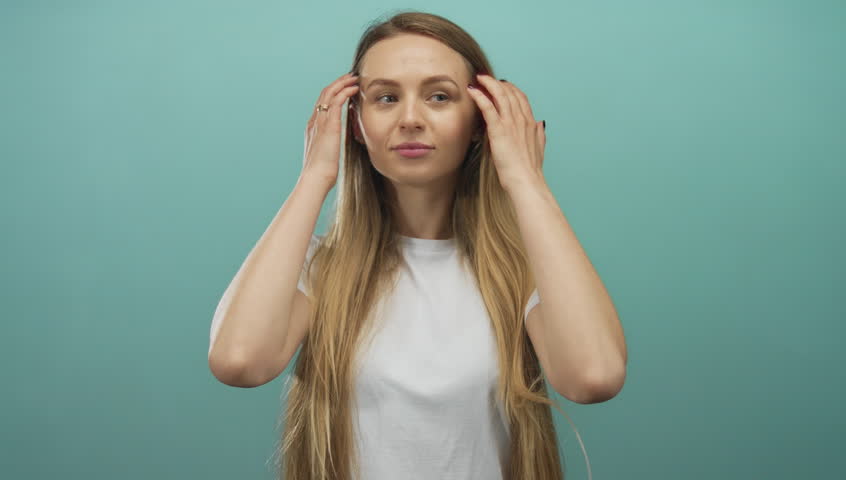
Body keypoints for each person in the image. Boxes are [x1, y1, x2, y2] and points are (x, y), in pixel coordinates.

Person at [209, 10, 624, 480]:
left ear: (479, 122)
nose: (409, 119)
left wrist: (526, 180)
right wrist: (315, 176)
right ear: (357, 125)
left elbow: (594, 377)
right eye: (385, 98)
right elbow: (239, 361)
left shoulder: (527, 271)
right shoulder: (319, 267)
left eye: (439, 97)